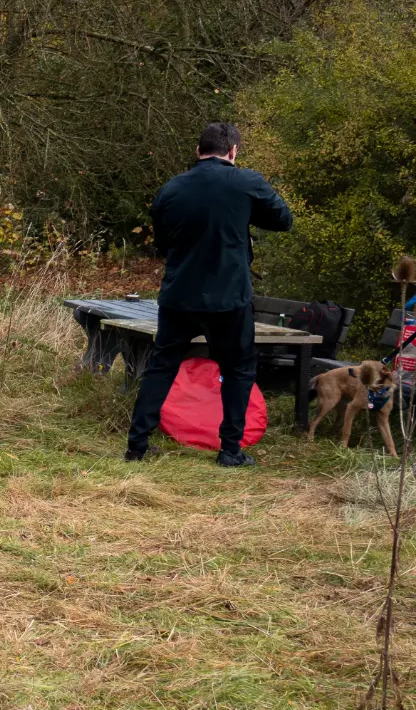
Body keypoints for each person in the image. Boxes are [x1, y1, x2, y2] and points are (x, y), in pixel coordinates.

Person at [126, 122, 294, 466]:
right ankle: (230, 451)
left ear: (198, 150)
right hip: (228, 296)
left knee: (161, 367)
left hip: (179, 293)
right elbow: (283, 220)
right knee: (238, 370)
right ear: (233, 151)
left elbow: (163, 242)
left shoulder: (171, 189)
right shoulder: (247, 182)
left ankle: (137, 446)